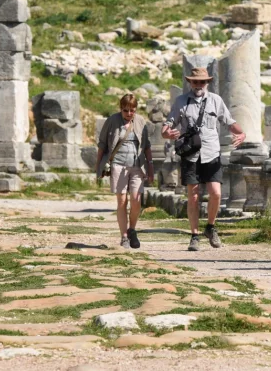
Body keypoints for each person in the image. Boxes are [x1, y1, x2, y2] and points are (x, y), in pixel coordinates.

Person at [162, 67, 246, 251]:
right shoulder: (181, 101)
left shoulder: (216, 100)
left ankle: (210, 226)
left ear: (207, 83)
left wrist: (241, 133)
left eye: (202, 82)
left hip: (211, 153)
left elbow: (229, 121)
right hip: (190, 154)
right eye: (195, 81)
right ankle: (194, 235)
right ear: (190, 82)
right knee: (193, 196)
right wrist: (167, 133)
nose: (198, 85)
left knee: (215, 192)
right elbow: (168, 125)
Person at [97, 94, 154, 249]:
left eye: (132, 110)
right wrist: (98, 167)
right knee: (122, 201)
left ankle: (132, 229)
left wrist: (150, 167)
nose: (129, 113)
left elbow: (147, 146)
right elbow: (102, 145)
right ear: (120, 109)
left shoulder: (141, 122)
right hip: (118, 165)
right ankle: (124, 237)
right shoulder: (112, 121)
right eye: (125, 110)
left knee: (136, 200)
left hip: (137, 166)